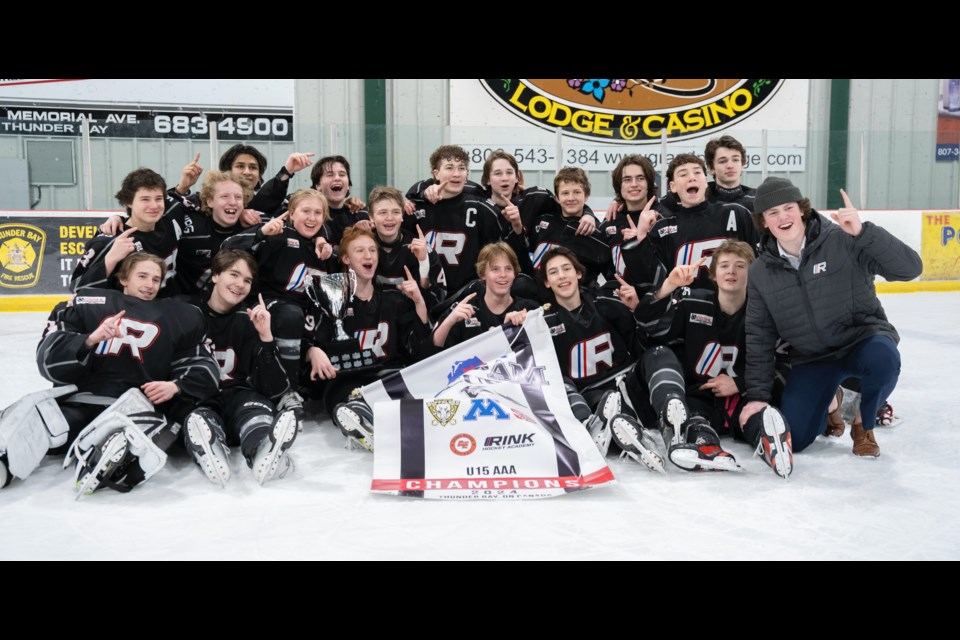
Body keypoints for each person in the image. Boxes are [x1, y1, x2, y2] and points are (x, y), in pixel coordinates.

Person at [740, 179, 923, 457]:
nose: (783, 217)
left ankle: (863, 426)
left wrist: (863, 233)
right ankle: (834, 401)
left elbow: (910, 269)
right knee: (796, 440)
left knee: (883, 360)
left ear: (801, 209)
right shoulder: (761, 272)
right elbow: (759, 336)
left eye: (788, 208)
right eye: (772, 213)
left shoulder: (844, 239)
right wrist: (758, 397)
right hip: (813, 358)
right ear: (763, 222)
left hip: (861, 340)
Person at [30, 253, 219, 495]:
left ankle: (107, 458)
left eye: (155, 279)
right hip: (84, 401)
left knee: (135, 431)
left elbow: (203, 365)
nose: (150, 284)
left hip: (134, 408)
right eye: (142, 276)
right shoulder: (88, 304)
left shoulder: (180, 316)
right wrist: (88, 340)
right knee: (41, 421)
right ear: (124, 279)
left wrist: (176, 386)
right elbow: (48, 359)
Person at [629, 240, 792, 477]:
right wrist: (667, 286)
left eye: (740, 265)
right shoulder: (693, 302)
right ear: (713, 275)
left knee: (753, 416)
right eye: (724, 266)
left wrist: (740, 383)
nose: (732, 272)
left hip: (746, 397)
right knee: (696, 419)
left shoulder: (766, 312)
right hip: (701, 396)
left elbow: (784, 363)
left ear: (753, 273)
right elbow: (649, 327)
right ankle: (708, 447)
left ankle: (771, 440)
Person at [303, 227, 431, 451]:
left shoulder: (393, 298)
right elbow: (309, 338)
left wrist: (419, 302)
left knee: (412, 397)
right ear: (346, 258)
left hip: (385, 375)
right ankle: (358, 418)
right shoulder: (330, 297)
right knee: (346, 400)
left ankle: (371, 418)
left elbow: (417, 346)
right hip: (346, 380)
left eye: (372, 250)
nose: (368, 255)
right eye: (360, 251)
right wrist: (312, 350)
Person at [536, 247, 663, 471]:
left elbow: (640, 342)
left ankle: (662, 424)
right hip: (590, 396)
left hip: (624, 384)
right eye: (554, 272)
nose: (562, 276)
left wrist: (637, 310)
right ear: (547, 282)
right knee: (557, 380)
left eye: (567, 269)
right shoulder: (543, 322)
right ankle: (592, 427)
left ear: (578, 273)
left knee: (660, 353)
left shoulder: (606, 302)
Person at [180, 250, 298, 486]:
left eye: (247, 280)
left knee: (257, 411)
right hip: (199, 397)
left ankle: (263, 447)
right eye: (233, 274)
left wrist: (266, 337)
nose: (240, 284)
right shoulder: (185, 313)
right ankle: (210, 448)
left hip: (238, 397)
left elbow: (274, 388)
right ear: (215, 275)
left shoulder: (250, 319)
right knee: (197, 417)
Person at [221, 189, 336, 424]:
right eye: (306, 211)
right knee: (290, 315)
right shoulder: (279, 235)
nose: (312, 218)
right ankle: (286, 392)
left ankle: (323, 388)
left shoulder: (324, 250)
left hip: (302, 310)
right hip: (269, 302)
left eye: (318, 213)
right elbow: (227, 247)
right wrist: (261, 233)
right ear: (291, 213)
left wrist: (312, 345)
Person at [403, 145, 528, 295]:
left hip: (467, 296)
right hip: (424, 292)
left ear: (467, 174)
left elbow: (509, 253)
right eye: (449, 168)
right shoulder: (417, 204)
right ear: (436, 174)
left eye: (461, 168)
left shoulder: (481, 208)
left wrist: (516, 226)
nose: (456, 174)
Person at [632, 154, 760, 294]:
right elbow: (651, 278)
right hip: (683, 310)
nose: (692, 177)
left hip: (732, 308)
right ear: (673, 187)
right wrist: (642, 234)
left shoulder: (736, 213)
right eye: (683, 174)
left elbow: (757, 262)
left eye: (697, 172)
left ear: (705, 182)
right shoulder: (663, 228)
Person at [72, 168, 179, 295]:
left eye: (158, 199)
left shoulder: (170, 224)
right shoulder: (110, 239)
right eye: (145, 199)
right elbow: (78, 287)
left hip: (165, 309)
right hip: (127, 311)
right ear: (129, 202)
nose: (154, 205)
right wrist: (110, 259)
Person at [427, 242, 538, 352]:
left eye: (508, 268)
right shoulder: (463, 310)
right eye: (495, 269)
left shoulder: (530, 310)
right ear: (482, 274)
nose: (503, 275)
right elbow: (430, 355)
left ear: (515, 273)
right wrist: (449, 321)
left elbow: (544, 352)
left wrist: (524, 327)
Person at [525, 167, 611, 290]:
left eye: (577, 192)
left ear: (586, 196)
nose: (571, 198)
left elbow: (610, 274)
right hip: (540, 296)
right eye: (565, 193)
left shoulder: (596, 232)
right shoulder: (541, 221)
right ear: (557, 198)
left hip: (578, 301)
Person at [368, 186, 446, 312]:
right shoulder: (363, 246)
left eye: (396, 212)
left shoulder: (420, 248)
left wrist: (423, 262)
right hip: (372, 318)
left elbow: (436, 301)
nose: (390, 218)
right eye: (383, 212)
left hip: (410, 321)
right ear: (371, 217)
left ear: (402, 215)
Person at [599, 155, 662, 287]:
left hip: (656, 301)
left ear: (649, 183)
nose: (634, 184)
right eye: (627, 179)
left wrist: (642, 242)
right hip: (620, 302)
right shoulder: (610, 222)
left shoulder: (664, 217)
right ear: (619, 185)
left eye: (640, 178)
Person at [309, 155, 373, 246]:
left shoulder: (361, 214)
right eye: (330, 175)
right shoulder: (310, 216)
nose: (337, 178)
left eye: (342, 174)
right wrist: (287, 172)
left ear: (348, 186)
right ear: (318, 185)